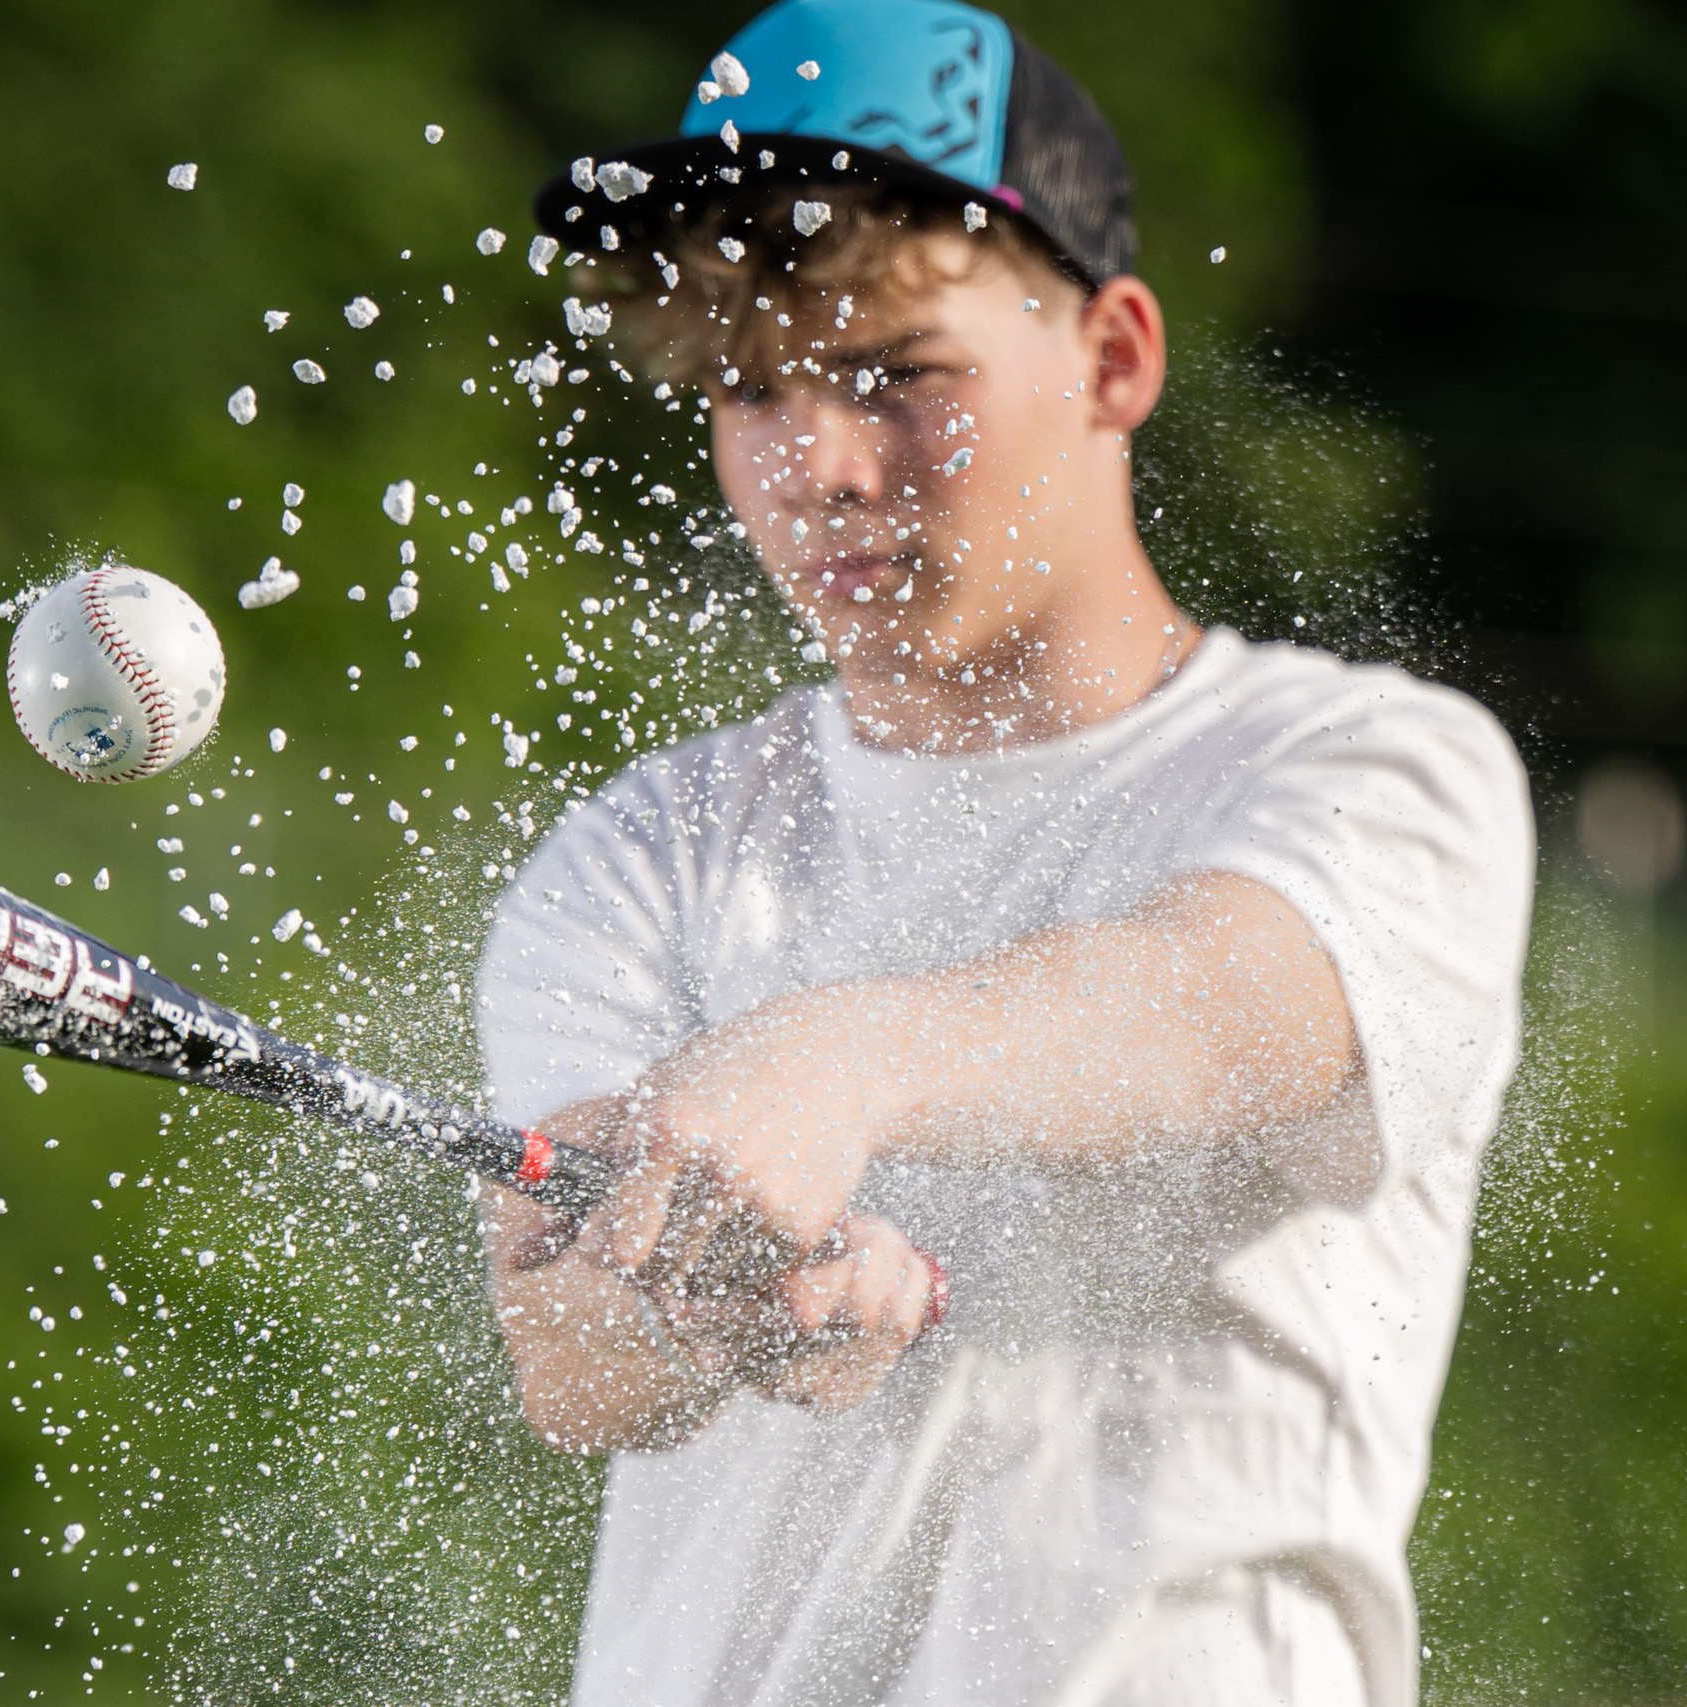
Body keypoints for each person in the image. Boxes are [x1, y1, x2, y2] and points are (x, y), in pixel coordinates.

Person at [473, 3, 1535, 1704]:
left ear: (1113, 356)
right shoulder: (641, 855)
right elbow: (572, 1360)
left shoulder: (1378, 764)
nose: (813, 464)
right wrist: (704, 1300)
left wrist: (850, 1062)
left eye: (898, 376)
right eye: (750, 390)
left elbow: (1232, 1004)